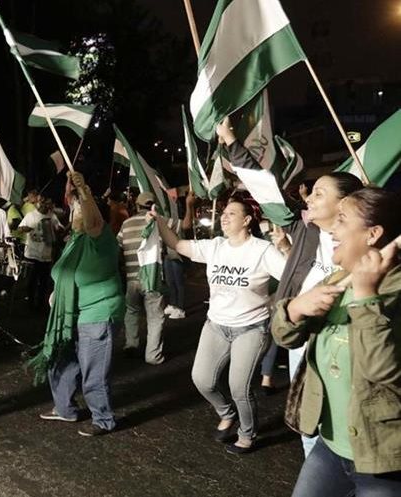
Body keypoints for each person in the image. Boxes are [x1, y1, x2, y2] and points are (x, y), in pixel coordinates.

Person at [217, 120, 363, 455]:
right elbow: (263, 187)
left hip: (345, 343)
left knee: (347, 414)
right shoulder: (304, 230)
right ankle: (317, 463)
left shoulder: (368, 243)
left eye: (319, 193)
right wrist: (230, 141)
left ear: (345, 204)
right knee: (307, 417)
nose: (309, 198)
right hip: (300, 339)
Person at [272, 188, 401, 497]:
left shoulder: (393, 289)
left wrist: (366, 295)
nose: (331, 228)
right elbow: (285, 337)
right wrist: (294, 309)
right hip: (329, 447)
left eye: (342, 220)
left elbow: (382, 373)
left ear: (373, 233)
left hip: (384, 460)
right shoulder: (337, 278)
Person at [155, 195, 286, 453]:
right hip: (216, 325)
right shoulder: (215, 246)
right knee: (202, 380)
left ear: (247, 220)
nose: (224, 217)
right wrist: (159, 221)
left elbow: (290, 275)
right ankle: (227, 413)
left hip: (251, 328)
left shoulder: (262, 250)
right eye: (223, 213)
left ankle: (248, 433)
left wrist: (285, 249)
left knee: (240, 387)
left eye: (232, 214)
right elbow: (178, 244)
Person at [36, 171, 124, 437]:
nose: (74, 213)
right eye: (73, 210)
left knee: (92, 371)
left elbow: (94, 221)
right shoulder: (74, 242)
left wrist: (83, 190)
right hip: (70, 314)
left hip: (98, 313)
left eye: (78, 210)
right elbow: (65, 274)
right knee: (61, 361)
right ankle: (65, 408)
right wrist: (57, 294)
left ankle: (103, 418)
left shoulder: (102, 241)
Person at [117, 190, 166, 364]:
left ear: (136, 205)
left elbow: (119, 247)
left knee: (131, 312)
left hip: (132, 278)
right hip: (152, 278)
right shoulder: (158, 223)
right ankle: (152, 355)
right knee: (154, 317)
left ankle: (131, 344)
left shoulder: (126, 224)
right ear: (153, 206)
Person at [18, 197, 63, 308]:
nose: (45, 206)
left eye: (48, 204)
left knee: (43, 282)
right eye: (43, 203)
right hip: (32, 254)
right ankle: (30, 302)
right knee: (31, 280)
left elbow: (60, 229)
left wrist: (57, 230)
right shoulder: (31, 215)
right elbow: (20, 228)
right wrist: (26, 228)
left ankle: (41, 304)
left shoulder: (52, 216)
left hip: (45, 255)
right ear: (39, 203)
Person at [164, 191, 194, 320]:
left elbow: (186, 225)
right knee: (170, 281)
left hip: (177, 254)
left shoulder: (176, 217)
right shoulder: (165, 215)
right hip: (167, 253)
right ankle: (173, 304)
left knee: (178, 282)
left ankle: (180, 308)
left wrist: (189, 205)